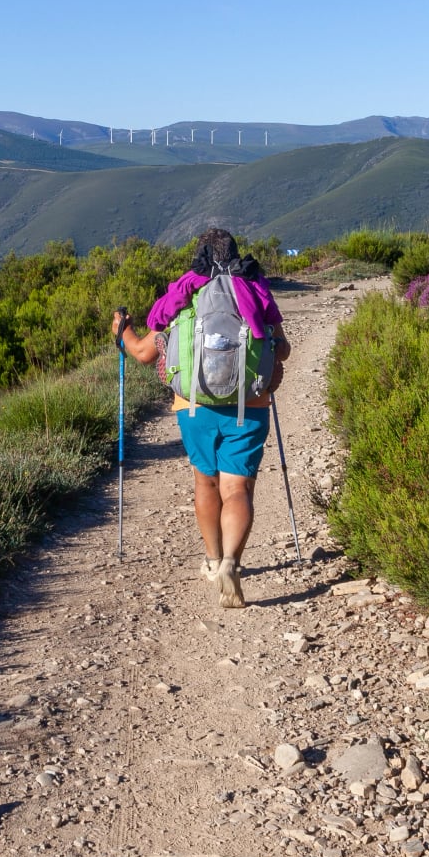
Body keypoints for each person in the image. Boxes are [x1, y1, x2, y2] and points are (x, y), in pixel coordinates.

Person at [111, 228, 289, 608]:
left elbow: (144, 353)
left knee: (206, 484)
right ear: (237, 254)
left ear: (199, 256)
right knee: (237, 489)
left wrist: (122, 331)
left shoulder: (183, 292)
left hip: (194, 407)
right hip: (250, 405)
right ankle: (231, 564)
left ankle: (211, 561)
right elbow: (283, 348)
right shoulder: (256, 289)